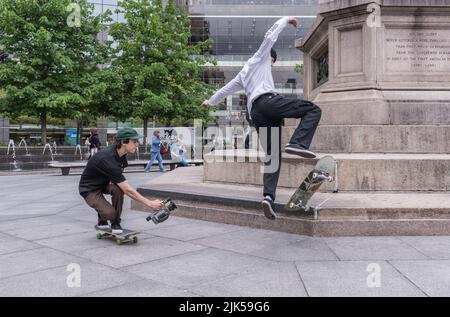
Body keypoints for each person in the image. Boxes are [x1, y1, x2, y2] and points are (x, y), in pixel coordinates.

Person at [201, 17, 322, 220]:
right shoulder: (261, 57)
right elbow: (269, 37)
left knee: (272, 157)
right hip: (268, 102)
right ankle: (298, 143)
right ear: (271, 59)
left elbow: (224, 90)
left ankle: (268, 197)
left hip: (256, 114)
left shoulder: (242, 75)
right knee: (313, 110)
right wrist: (285, 20)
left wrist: (210, 102)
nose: (272, 64)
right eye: (273, 61)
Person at [79, 127, 164, 233]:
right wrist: (150, 203)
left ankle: (115, 223)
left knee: (118, 189)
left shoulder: (121, 155)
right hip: (90, 189)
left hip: (104, 183)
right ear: (124, 142)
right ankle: (103, 218)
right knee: (110, 214)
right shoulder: (107, 158)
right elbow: (128, 190)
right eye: (134, 141)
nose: (137, 144)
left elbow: (119, 182)